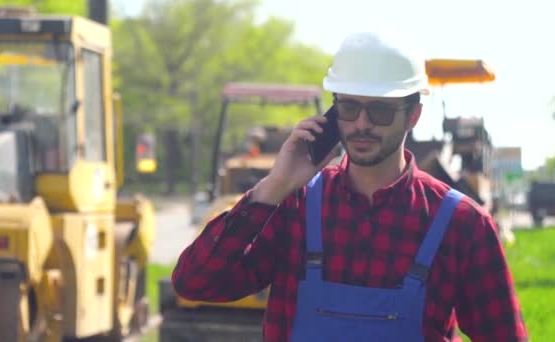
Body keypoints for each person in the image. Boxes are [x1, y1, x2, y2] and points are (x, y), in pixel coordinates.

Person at [171, 31, 528, 341]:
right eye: (349, 108)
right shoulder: (293, 206)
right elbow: (195, 283)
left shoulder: (463, 225)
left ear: (413, 115)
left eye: (380, 111)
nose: (361, 124)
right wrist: (274, 186)